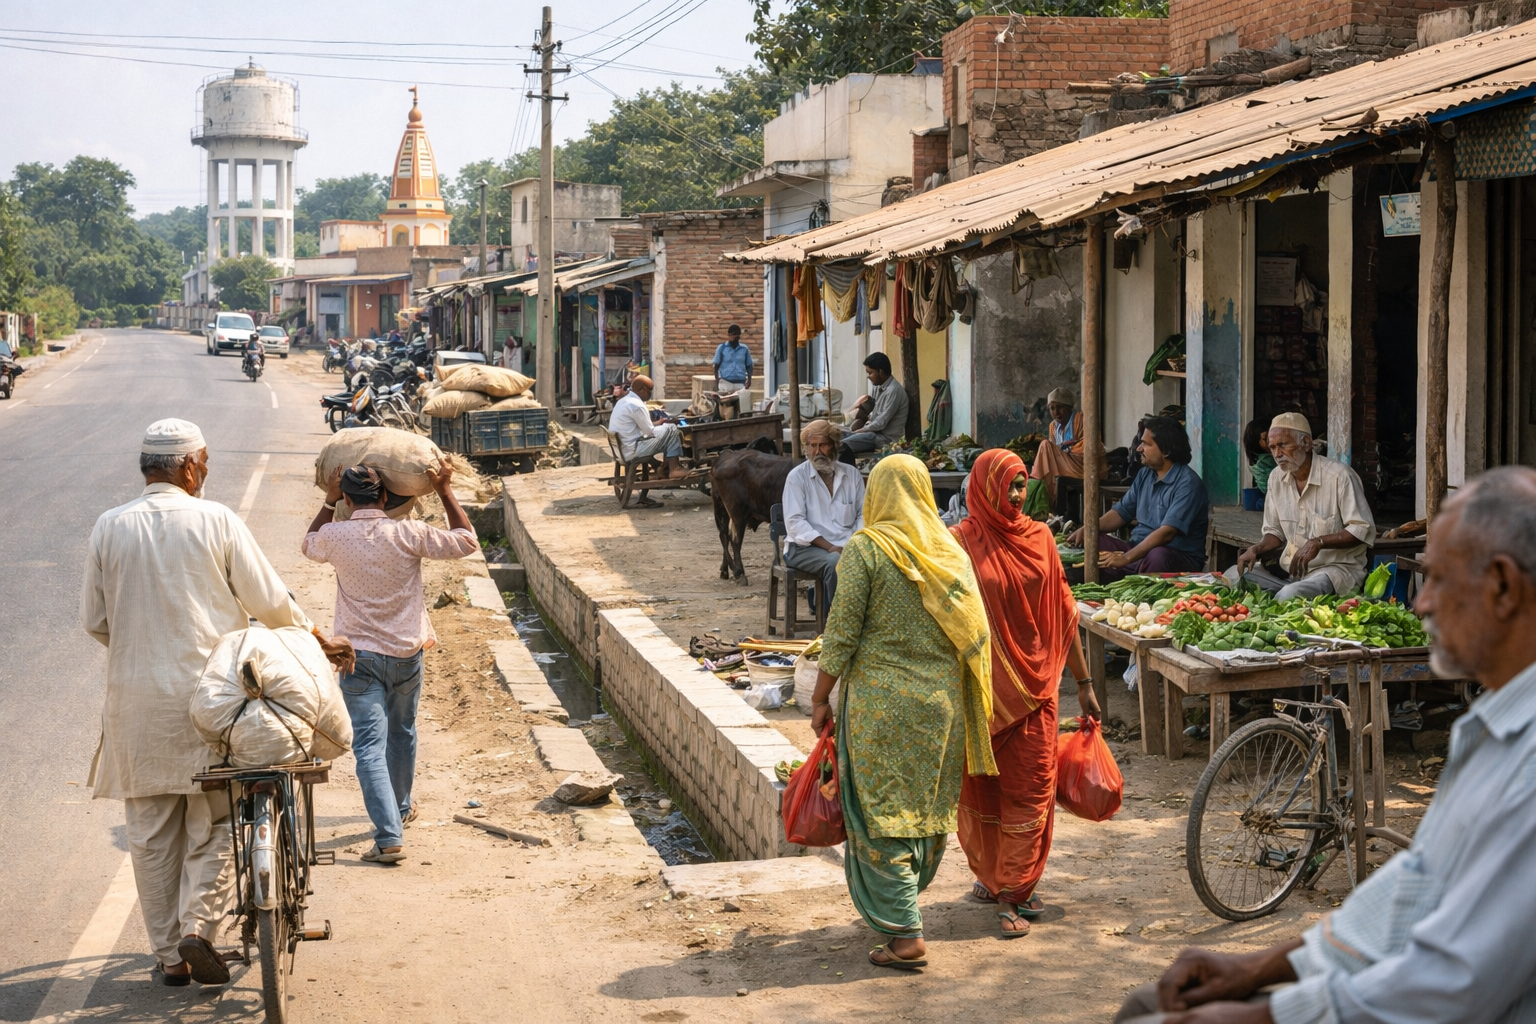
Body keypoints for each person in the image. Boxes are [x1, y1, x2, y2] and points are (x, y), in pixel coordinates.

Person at [1114, 465, 1536, 1024]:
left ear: (1502, 586)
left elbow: (1446, 986)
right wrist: (1257, 969)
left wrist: (1260, 1015)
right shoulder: (1490, 729)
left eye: (1438, 581)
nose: (1421, 604)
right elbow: (1409, 892)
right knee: (1148, 1001)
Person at [81, 419, 352, 988]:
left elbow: (97, 622)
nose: (206, 471)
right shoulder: (215, 520)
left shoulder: (109, 526)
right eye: (203, 462)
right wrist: (315, 637)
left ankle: (169, 959)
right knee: (221, 820)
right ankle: (199, 930)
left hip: (137, 708)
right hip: (218, 705)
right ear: (185, 466)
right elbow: (269, 601)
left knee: (152, 835)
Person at [808, 454, 997, 971]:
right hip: (941, 710)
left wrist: (821, 697)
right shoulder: (949, 552)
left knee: (880, 814)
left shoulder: (867, 550)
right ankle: (903, 910)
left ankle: (906, 933)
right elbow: (974, 635)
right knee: (926, 810)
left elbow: (841, 633)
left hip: (880, 710)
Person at [951, 449, 1098, 938]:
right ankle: (992, 873)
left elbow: (1064, 610)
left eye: (1022, 485)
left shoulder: (1040, 537)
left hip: (1037, 689)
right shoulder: (960, 543)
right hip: (983, 690)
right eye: (1008, 486)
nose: (1016, 496)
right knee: (984, 786)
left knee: (1031, 789)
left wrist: (1084, 683)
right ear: (984, 488)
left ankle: (1013, 890)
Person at [303, 463, 479, 864]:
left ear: (347, 499)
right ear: (385, 496)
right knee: (403, 732)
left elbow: (309, 543)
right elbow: (466, 541)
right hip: (406, 656)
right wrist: (446, 490)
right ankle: (398, 810)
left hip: (358, 660)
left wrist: (328, 501)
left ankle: (389, 836)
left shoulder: (335, 534)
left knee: (368, 747)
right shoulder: (409, 533)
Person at [1225, 413, 1375, 600]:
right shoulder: (1276, 478)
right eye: (1272, 447)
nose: (1277, 454)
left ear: (1305, 443)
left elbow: (1361, 528)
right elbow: (1275, 532)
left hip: (1334, 572)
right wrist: (1256, 549)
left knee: (1290, 595)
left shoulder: (1339, 476)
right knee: (1232, 577)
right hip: (1293, 574)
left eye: (1283, 445)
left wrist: (1318, 542)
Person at [1070, 417, 1209, 582]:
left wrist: (1126, 558)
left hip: (1173, 557)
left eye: (1146, 444)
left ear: (1166, 450)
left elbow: (1167, 533)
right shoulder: (1145, 474)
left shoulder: (1188, 483)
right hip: (1138, 550)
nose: (1139, 448)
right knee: (1094, 540)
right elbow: (1120, 513)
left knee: (1158, 555)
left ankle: (1125, 579)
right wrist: (1088, 529)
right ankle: (1126, 576)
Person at [781, 419, 865, 609]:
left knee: (876, 560)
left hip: (846, 545)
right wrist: (829, 547)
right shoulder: (797, 477)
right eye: (812, 446)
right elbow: (795, 522)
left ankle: (862, 624)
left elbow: (863, 514)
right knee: (836, 562)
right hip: (803, 548)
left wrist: (853, 544)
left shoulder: (852, 475)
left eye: (823, 445)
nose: (817, 452)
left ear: (835, 446)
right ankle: (834, 628)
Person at [609, 374, 682, 503]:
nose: (650, 395)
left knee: (666, 428)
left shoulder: (623, 401)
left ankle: (664, 467)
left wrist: (660, 423)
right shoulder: (637, 405)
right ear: (642, 390)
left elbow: (643, 427)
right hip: (632, 450)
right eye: (649, 391)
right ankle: (674, 468)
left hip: (622, 450)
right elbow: (650, 433)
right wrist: (667, 425)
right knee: (671, 429)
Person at [1030, 386, 1106, 506]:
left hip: (1082, 467)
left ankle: (1035, 482)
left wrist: (1067, 449)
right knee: (1047, 451)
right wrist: (1060, 450)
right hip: (1061, 466)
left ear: (1069, 407)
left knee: (1045, 445)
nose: (1056, 412)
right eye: (1052, 408)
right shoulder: (1053, 427)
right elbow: (1054, 453)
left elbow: (1093, 445)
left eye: (1060, 407)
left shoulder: (1082, 420)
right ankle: (1049, 506)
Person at [839, 352, 909, 464]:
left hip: (885, 439)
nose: (868, 376)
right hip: (873, 434)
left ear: (881, 372)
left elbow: (881, 423)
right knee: (834, 436)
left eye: (870, 373)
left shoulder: (894, 391)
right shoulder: (878, 386)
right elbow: (871, 410)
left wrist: (860, 431)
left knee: (841, 446)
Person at [712, 324, 754, 396]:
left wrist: (749, 379)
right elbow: (716, 366)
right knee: (726, 406)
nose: (735, 337)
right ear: (729, 335)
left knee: (740, 406)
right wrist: (717, 381)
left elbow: (749, 366)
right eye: (733, 335)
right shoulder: (722, 348)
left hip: (740, 384)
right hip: (725, 383)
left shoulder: (744, 349)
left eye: (737, 334)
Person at [1243, 419, 1277, 495]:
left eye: (1272, 436)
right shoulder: (1266, 460)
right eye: (1265, 439)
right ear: (1255, 442)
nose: (1271, 441)